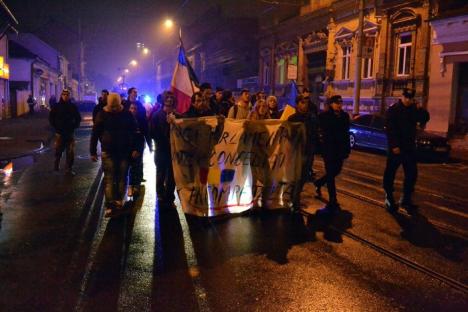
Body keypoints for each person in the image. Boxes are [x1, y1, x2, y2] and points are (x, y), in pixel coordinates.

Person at [90, 93, 140, 217]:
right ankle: (110, 204)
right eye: (112, 107)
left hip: (124, 151)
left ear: (120, 104)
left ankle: (118, 202)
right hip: (108, 151)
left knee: (122, 177)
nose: (114, 109)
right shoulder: (102, 114)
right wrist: (92, 151)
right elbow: (95, 133)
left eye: (116, 107)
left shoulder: (127, 114)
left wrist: (136, 148)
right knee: (110, 178)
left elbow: (135, 132)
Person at [383, 88, 430, 214]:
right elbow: (390, 129)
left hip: (409, 149)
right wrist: (394, 145)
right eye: (407, 97)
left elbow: (425, 117)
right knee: (390, 173)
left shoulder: (414, 109)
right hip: (396, 149)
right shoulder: (393, 110)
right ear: (402, 96)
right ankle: (389, 197)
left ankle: (406, 199)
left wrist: (421, 109)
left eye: (411, 98)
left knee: (412, 174)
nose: (408, 100)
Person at [314, 95, 350, 215]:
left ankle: (319, 182)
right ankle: (333, 199)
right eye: (336, 103)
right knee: (330, 174)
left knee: (337, 170)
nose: (339, 105)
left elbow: (346, 134)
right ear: (331, 104)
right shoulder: (324, 116)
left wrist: (347, 149)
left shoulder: (344, 116)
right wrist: (320, 147)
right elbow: (320, 132)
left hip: (339, 150)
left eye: (340, 103)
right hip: (329, 150)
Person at [150, 91, 180, 207]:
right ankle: (161, 195)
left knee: (172, 176)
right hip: (161, 150)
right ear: (163, 101)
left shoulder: (177, 115)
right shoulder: (157, 115)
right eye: (167, 98)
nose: (169, 100)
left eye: (171, 98)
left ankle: (170, 198)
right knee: (161, 173)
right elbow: (152, 132)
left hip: (173, 151)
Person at [288, 95, 316, 211]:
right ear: (298, 104)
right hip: (296, 152)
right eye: (303, 103)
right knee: (296, 177)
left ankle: (295, 196)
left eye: (306, 103)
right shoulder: (292, 118)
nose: (305, 105)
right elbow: (288, 135)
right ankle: (294, 200)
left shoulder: (311, 118)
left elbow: (314, 133)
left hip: (308, 151)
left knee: (304, 176)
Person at [49, 89, 82, 175]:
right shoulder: (56, 106)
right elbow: (51, 118)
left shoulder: (72, 106)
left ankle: (69, 169)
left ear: (69, 96)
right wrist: (56, 128)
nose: (65, 96)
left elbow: (78, 118)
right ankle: (56, 166)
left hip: (69, 133)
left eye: (67, 94)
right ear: (61, 95)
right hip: (60, 133)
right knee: (58, 151)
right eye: (64, 94)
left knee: (70, 152)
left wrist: (74, 126)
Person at [123, 87, 152, 186]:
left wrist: (149, 143)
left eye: (136, 92)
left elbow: (144, 121)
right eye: (134, 92)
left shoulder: (140, 105)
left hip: (139, 136)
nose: (136, 93)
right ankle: (129, 181)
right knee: (128, 160)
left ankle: (138, 179)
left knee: (138, 160)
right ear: (129, 93)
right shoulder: (124, 104)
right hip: (127, 138)